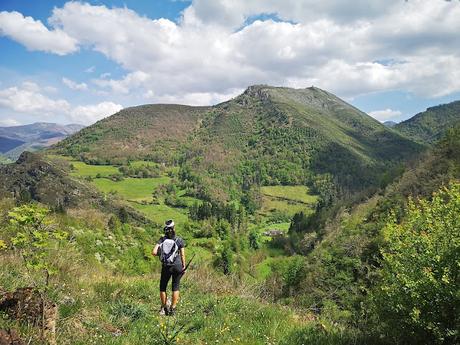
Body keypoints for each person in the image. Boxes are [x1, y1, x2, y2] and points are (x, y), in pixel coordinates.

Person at [152, 219, 186, 316]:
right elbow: (183, 255)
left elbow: (153, 252)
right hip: (177, 266)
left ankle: (164, 308)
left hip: (166, 266)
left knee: (163, 288)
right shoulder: (179, 240)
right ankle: (173, 309)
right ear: (174, 228)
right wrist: (183, 266)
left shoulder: (162, 239)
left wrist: (162, 253)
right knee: (175, 287)